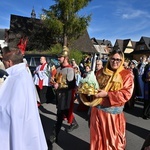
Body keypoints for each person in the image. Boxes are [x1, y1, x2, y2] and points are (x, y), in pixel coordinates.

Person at [79, 49, 134, 150]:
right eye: (113, 59)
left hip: (112, 117)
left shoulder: (126, 75)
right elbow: (94, 88)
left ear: (121, 60)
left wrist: (107, 94)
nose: (115, 62)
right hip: (97, 113)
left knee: (114, 143)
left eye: (118, 59)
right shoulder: (100, 72)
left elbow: (126, 94)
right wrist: (86, 90)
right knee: (97, 140)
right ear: (109, 59)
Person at [0, 48, 47, 150]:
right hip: (26, 124)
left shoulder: (16, 78)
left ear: (9, 62)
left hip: (16, 126)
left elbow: (10, 108)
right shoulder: (23, 73)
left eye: (3, 61)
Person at [49, 46, 78, 143]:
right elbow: (56, 81)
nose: (58, 59)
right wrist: (53, 81)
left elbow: (71, 85)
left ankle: (53, 136)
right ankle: (73, 123)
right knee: (63, 113)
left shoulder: (70, 70)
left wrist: (59, 85)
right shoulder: (58, 69)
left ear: (65, 58)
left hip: (66, 97)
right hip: (59, 96)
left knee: (60, 115)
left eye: (60, 57)